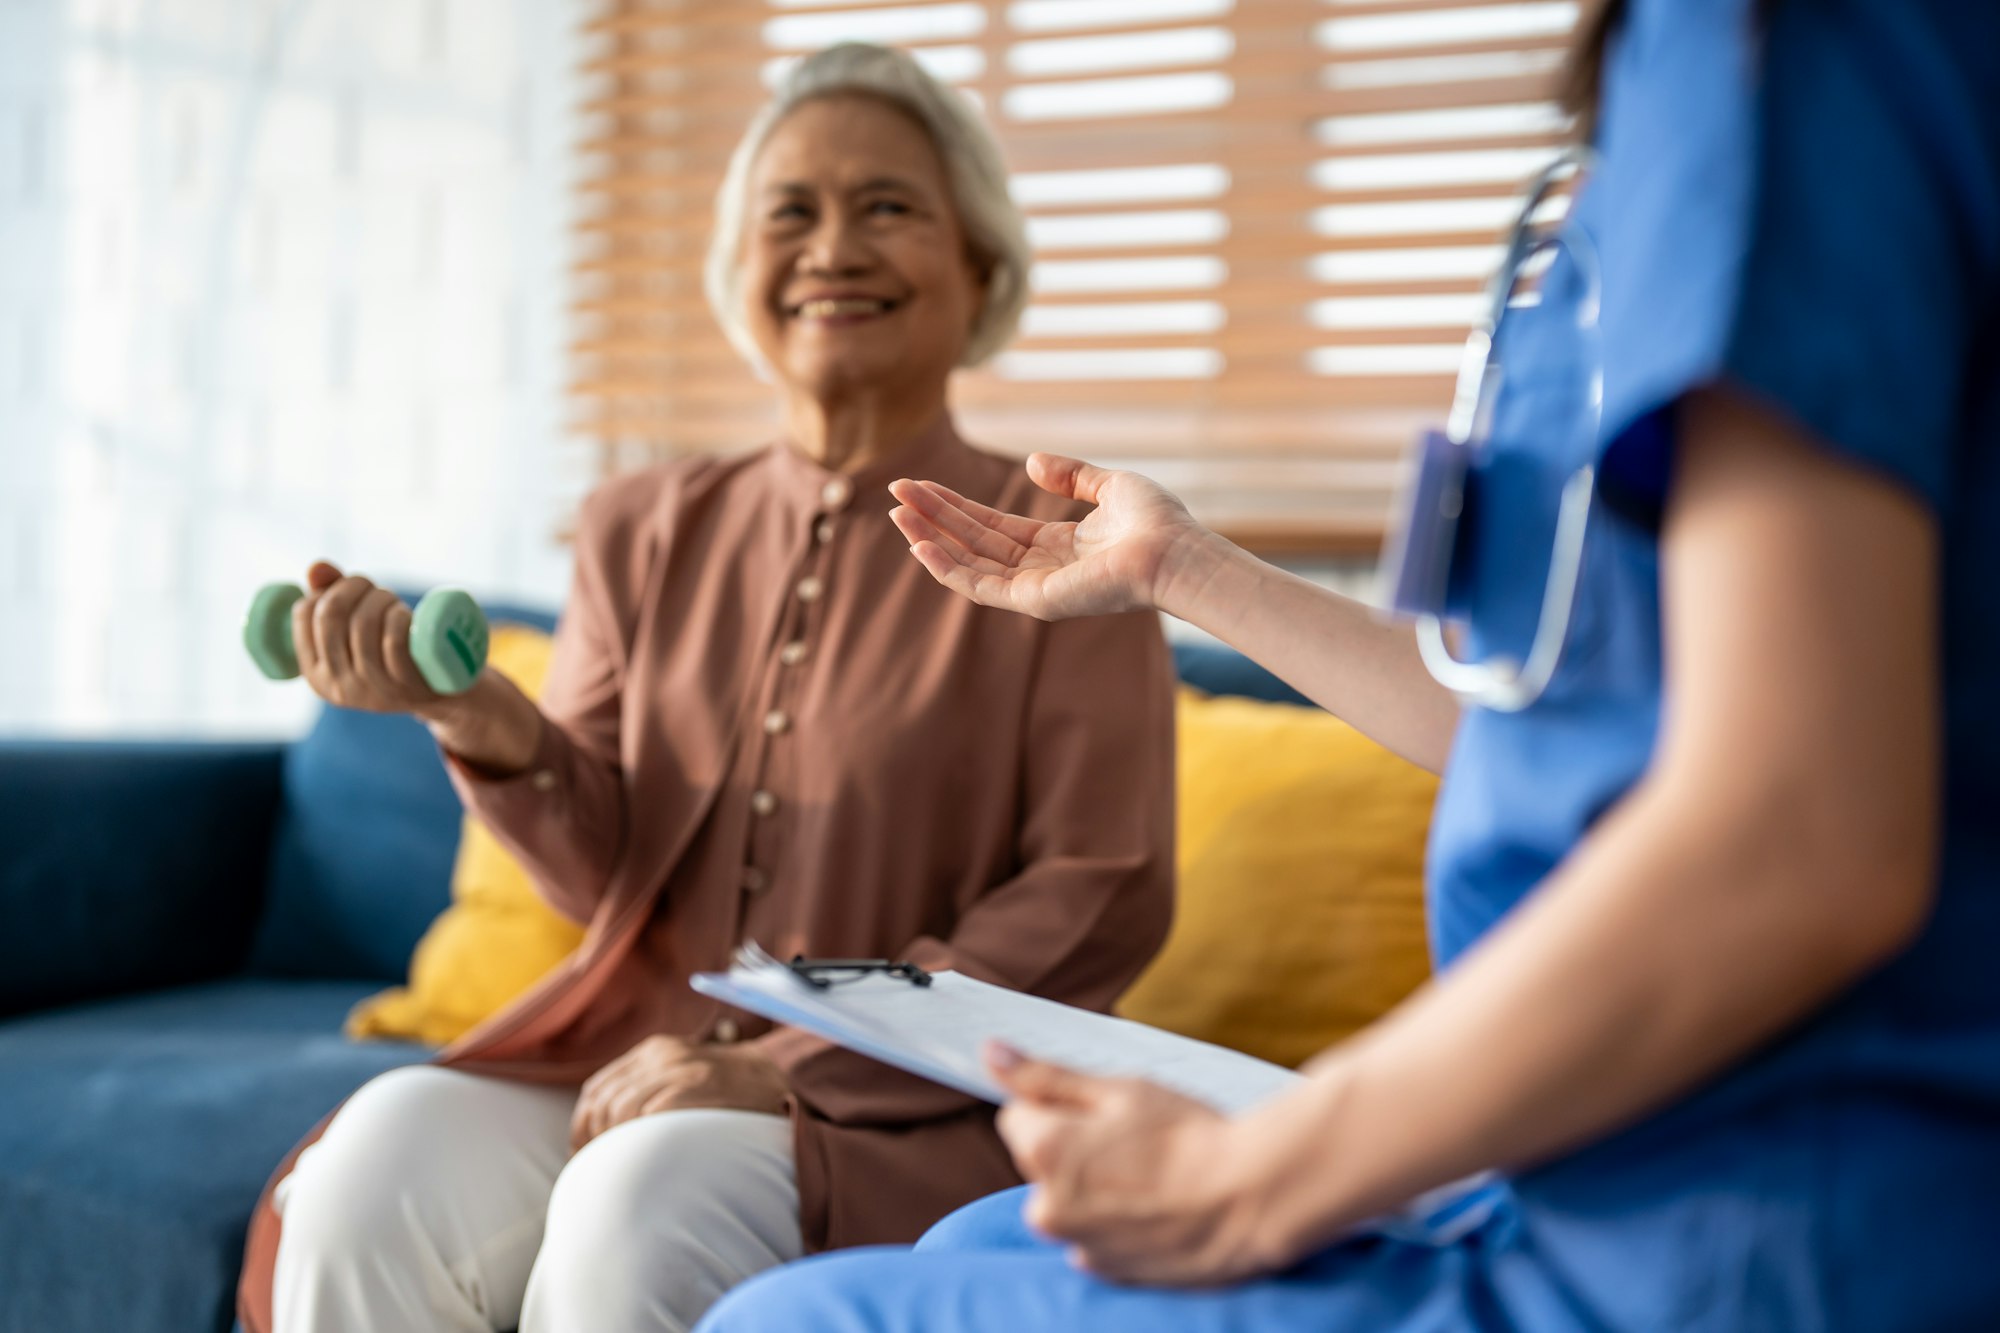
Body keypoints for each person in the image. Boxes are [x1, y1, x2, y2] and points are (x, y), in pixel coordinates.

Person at [697, 1, 2000, 1328]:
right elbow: (1571, 725)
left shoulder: (1795, 52)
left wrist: (1245, 1180)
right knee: (982, 1235)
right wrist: (1182, 571)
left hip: (1729, 1211)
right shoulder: (1715, 75)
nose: (834, 249)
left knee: (785, 1319)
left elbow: (1801, 834)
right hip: (1584, 1157)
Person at [236, 44, 1176, 1333]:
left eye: (887, 207)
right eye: (791, 212)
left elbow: (1100, 890)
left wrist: (782, 1063)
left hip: (913, 1106)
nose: (832, 247)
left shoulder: (1071, 541)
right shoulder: (637, 524)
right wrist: (479, 722)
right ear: (741, 273)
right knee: (380, 1153)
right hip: (619, 1053)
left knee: (641, 1192)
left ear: (982, 268)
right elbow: (603, 877)